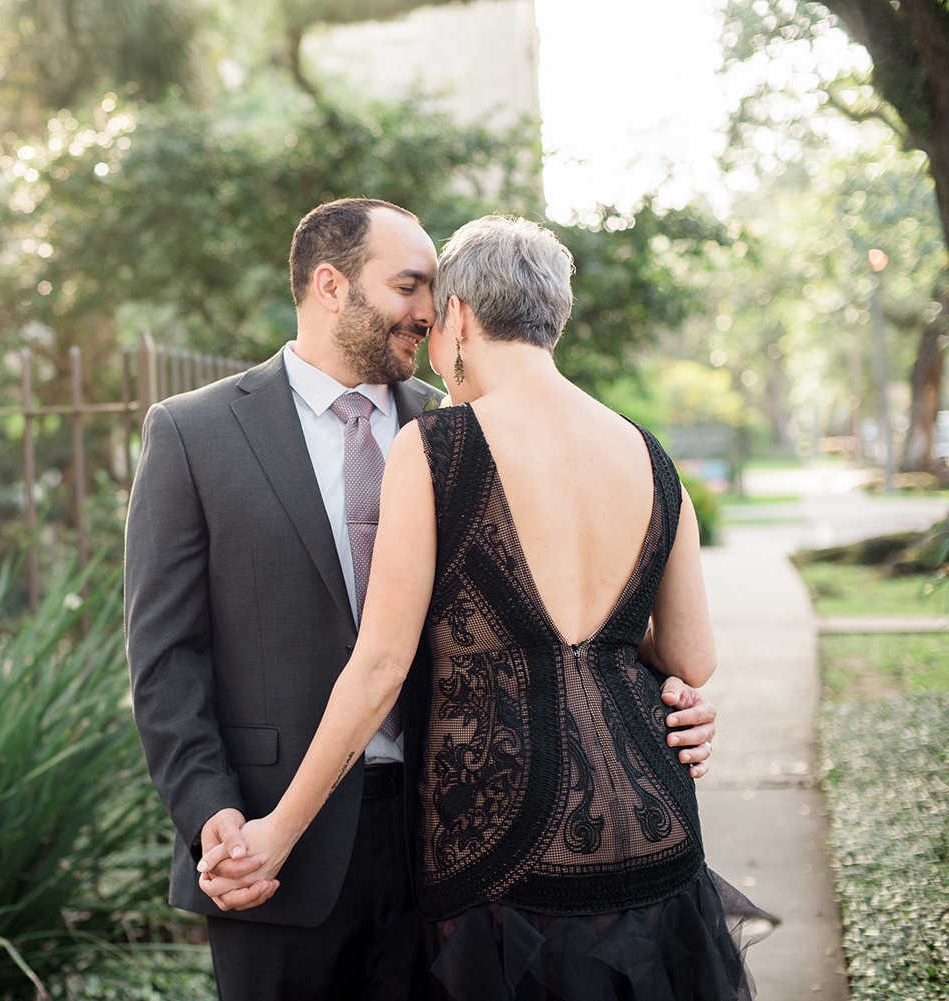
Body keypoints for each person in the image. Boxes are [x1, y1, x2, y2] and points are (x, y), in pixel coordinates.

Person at [124, 199, 719, 1001]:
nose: (426, 314)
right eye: (410, 286)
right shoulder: (194, 433)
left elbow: (462, 641)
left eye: (437, 297)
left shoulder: (445, 434)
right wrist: (213, 814)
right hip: (283, 849)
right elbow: (165, 661)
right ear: (330, 286)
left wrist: (666, 690)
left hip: (454, 838)